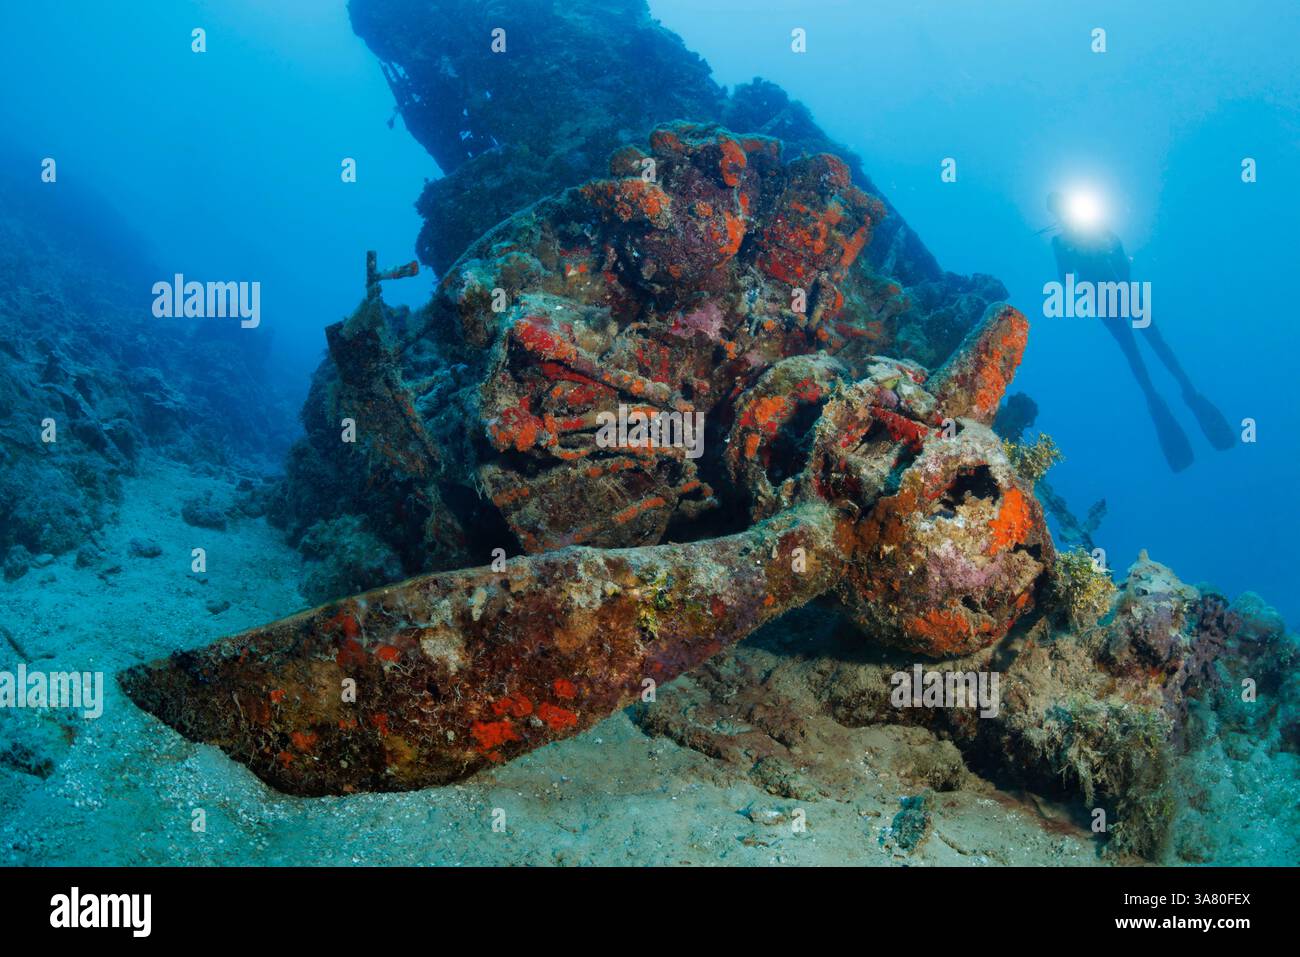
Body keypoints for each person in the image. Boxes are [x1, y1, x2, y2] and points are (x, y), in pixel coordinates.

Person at [1045, 192, 1234, 472]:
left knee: (1159, 345)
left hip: (1128, 293)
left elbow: (1123, 257)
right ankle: (1154, 400)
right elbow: (1066, 280)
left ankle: (1187, 389)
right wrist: (1076, 253)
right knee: (1133, 353)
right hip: (1104, 302)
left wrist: (1104, 246)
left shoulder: (1095, 225)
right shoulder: (1060, 242)